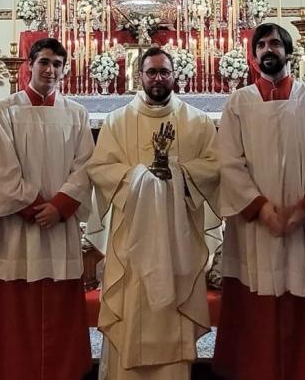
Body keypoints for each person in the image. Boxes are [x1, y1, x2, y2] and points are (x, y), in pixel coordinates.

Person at [212, 22, 305, 379]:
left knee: (304, 296)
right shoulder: (239, 102)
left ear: (288, 51)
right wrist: (260, 207)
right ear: (253, 57)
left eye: (275, 44)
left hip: (303, 224)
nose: (269, 50)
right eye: (262, 45)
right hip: (256, 223)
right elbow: (228, 160)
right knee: (256, 300)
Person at [86, 47, 220, 380]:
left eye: (164, 72)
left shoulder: (198, 122)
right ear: (139, 75)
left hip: (179, 241)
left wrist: (176, 173)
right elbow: (101, 169)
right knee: (132, 308)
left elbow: (214, 167)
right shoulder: (117, 121)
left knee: (172, 308)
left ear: (175, 75)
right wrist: (141, 176)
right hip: (131, 239)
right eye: (151, 72)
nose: (158, 78)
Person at [0, 37, 96, 380]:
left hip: (60, 226)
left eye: (57, 64)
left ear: (64, 69)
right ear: (29, 65)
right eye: (44, 62)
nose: (50, 70)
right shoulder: (4, 110)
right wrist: (36, 206)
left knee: (59, 308)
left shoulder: (77, 113)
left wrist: (61, 205)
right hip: (18, 230)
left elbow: (86, 166)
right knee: (16, 307)